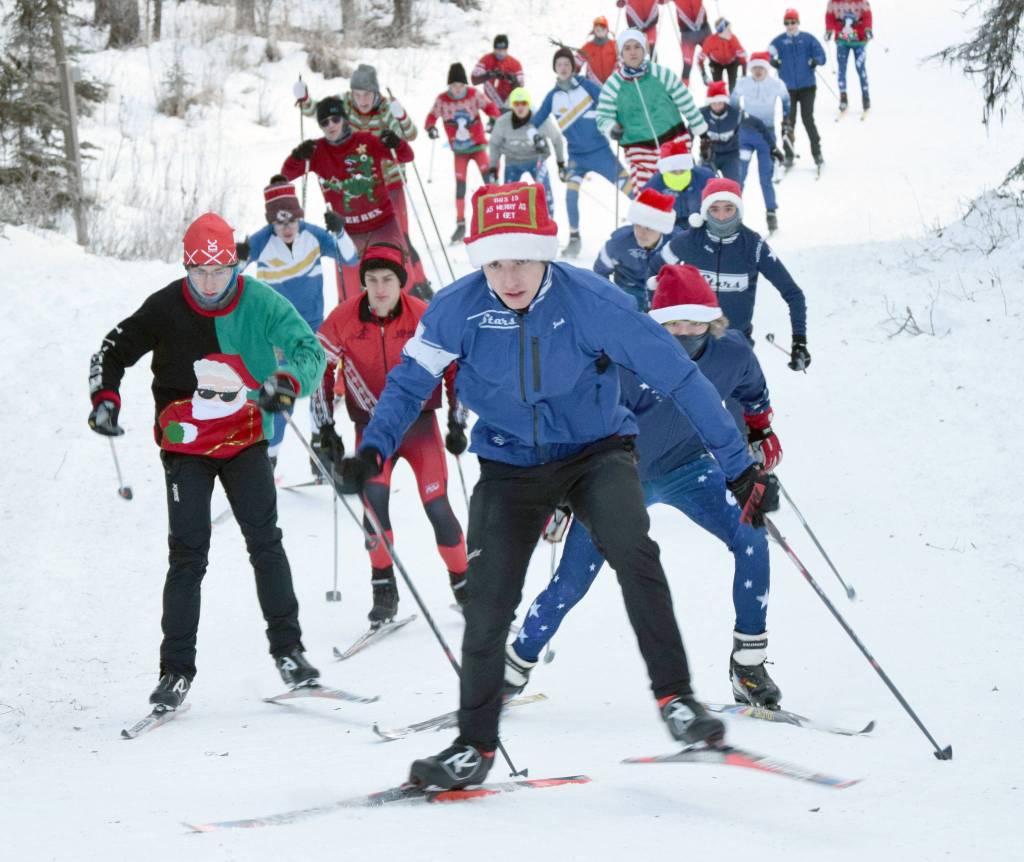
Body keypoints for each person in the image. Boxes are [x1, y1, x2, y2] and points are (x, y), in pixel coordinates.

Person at [335, 181, 776, 790]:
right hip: (510, 463)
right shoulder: (457, 308)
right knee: (488, 597)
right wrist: (373, 452)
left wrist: (738, 465)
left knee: (633, 549)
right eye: (495, 261)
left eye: (522, 259)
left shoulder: (594, 302)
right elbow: (410, 384)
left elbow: (679, 376)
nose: (509, 276)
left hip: (596, 451)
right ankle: (474, 746)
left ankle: (678, 701)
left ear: (546, 252)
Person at [506, 263, 783, 709]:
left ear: (713, 319)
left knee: (751, 535)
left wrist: (760, 431)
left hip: (689, 468)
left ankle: (749, 665)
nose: (684, 332)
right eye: (672, 323)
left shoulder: (733, 353)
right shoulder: (628, 362)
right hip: (620, 477)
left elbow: (753, 392)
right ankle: (513, 666)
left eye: (694, 321)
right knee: (572, 581)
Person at [87, 213, 327, 712]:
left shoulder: (260, 300)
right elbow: (114, 348)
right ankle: (175, 672)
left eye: (220, 271)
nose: (211, 283)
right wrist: (105, 397)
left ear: (236, 265)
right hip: (186, 446)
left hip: (244, 440)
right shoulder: (166, 306)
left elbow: (310, 350)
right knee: (188, 555)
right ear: (186, 268)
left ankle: (290, 653)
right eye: (200, 272)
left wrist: (287, 382)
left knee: (266, 543)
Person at [313, 243, 470, 622]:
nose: (380, 288)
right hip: (369, 429)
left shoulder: (424, 316)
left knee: (437, 505)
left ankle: (467, 589)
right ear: (362, 281)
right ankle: (384, 588)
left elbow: (455, 370)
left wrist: (456, 420)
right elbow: (321, 366)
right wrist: (325, 427)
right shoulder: (344, 318)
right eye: (371, 280)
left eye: (388, 280)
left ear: (402, 282)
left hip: (420, 426)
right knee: (374, 505)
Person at [237, 176, 357, 467]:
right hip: (276, 332)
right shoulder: (262, 241)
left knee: (317, 388)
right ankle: (270, 459)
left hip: (311, 330)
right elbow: (230, 275)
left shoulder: (313, 235)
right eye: (280, 224)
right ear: (271, 223)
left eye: (291, 220)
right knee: (278, 392)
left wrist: (340, 231)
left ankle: (320, 454)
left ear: (299, 216)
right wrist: (237, 258)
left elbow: (350, 259)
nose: (287, 228)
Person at [292, 68, 432, 299]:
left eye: (367, 94)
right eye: (357, 94)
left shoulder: (387, 108)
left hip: (391, 182)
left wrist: (401, 116)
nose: (362, 100)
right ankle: (361, 293)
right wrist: (303, 98)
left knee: (400, 237)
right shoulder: (345, 104)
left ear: (376, 92)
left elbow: (411, 134)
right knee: (354, 243)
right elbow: (320, 111)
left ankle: (419, 284)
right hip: (362, 188)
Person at [652, 178, 809, 372]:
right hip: (692, 347)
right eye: (714, 209)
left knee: (746, 401)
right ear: (705, 211)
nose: (721, 216)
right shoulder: (689, 240)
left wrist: (799, 341)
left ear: (739, 210)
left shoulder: (754, 246)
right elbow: (653, 273)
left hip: (736, 348)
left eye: (728, 208)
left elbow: (793, 294)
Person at [534, 47, 634, 257]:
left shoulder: (586, 86)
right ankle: (574, 239)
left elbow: (609, 104)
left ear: (573, 67)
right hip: (577, 159)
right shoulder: (552, 97)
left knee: (629, 189)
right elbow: (533, 124)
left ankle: (650, 222)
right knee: (570, 196)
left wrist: (614, 125)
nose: (563, 68)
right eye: (559, 64)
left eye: (567, 64)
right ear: (555, 68)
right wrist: (535, 139)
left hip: (601, 153)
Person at [596, 29, 708, 190]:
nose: (632, 52)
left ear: (644, 49)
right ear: (621, 53)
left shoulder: (661, 74)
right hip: (638, 149)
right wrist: (611, 128)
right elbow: (603, 116)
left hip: (674, 141)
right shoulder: (613, 85)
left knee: (684, 189)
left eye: (637, 47)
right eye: (627, 48)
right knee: (649, 195)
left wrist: (702, 132)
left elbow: (686, 102)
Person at [425, 63, 502, 243]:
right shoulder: (442, 100)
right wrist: (430, 128)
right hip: (459, 152)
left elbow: (491, 107)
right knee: (460, 187)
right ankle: (460, 224)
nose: (457, 89)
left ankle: (498, 217)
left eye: (460, 85)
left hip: (478, 147)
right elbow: (431, 116)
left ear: (465, 85)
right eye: (453, 86)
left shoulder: (474, 94)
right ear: (449, 86)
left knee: (489, 181)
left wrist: (493, 118)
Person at [594, 187, 680, 310]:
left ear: (662, 229)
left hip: (664, 293)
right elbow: (600, 274)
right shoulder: (619, 243)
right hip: (628, 293)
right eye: (638, 225)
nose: (641, 232)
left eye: (649, 228)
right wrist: (609, 298)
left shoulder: (676, 243)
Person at [732, 52, 790, 232]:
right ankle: (733, 214)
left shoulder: (776, 84)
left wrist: (786, 123)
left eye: (761, 68)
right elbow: (732, 102)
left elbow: (787, 101)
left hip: (767, 136)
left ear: (766, 69)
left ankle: (771, 213)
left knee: (766, 177)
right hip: (745, 136)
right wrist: (736, 121)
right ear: (751, 69)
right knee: (739, 176)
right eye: (755, 68)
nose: (758, 71)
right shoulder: (743, 83)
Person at [486, 87, 564, 218]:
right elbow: (494, 144)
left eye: (524, 104)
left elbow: (557, 139)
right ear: (512, 106)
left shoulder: (541, 120)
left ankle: (549, 220)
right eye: (516, 104)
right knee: (508, 197)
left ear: (529, 104)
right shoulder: (502, 122)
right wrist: (493, 168)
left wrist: (560, 163)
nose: (520, 107)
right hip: (512, 160)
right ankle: (511, 224)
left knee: (543, 191)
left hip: (536, 159)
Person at [769, 9, 826, 169]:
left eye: (793, 22)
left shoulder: (807, 39)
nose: (790, 26)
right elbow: (767, 53)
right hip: (787, 89)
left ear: (798, 23)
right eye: (787, 23)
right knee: (788, 122)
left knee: (808, 119)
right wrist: (773, 61)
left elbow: (822, 55)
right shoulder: (780, 41)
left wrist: (816, 61)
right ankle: (788, 154)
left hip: (807, 86)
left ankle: (817, 153)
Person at [642, 138, 715, 229]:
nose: (678, 173)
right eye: (673, 171)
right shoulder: (654, 185)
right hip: (670, 228)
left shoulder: (705, 177)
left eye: (682, 170)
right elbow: (646, 213)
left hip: (702, 224)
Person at [826, 0, 873, 113]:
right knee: (842, 68)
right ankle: (843, 98)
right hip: (842, 40)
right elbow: (830, 17)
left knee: (860, 67)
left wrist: (867, 29)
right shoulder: (833, 3)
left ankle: (865, 96)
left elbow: (867, 16)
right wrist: (829, 30)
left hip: (859, 40)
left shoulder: (861, 2)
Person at [471, 34, 525, 112]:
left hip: (509, 105)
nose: (500, 53)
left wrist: (514, 81)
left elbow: (520, 89)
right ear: (494, 49)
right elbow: (474, 80)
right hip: (492, 104)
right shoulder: (486, 60)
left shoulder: (515, 63)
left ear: (507, 49)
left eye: (503, 50)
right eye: (498, 50)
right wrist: (489, 75)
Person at [668, 0, 711, 86]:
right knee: (687, 64)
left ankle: (715, 85)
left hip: (704, 30)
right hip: (687, 34)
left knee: (713, 56)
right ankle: (682, 92)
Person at [699, 17, 747, 92]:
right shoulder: (710, 41)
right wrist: (704, 75)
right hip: (716, 64)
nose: (731, 31)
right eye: (728, 29)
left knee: (733, 87)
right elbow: (700, 59)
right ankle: (720, 100)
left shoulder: (733, 39)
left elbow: (742, 57)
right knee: (717, 86)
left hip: (732, 63)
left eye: (730, 28)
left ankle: (733, 101)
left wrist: (744, 75)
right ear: (720, 31)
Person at [577, 16, 618, 85]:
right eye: (597, 29)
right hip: (593, 84)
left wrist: (616, 72)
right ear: (594, 30)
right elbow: (576, 62)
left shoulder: (614, 45)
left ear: (607, 30)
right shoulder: (588, 47)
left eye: (603, 28)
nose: (600, 30)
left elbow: (622, 60)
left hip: (613, 83)